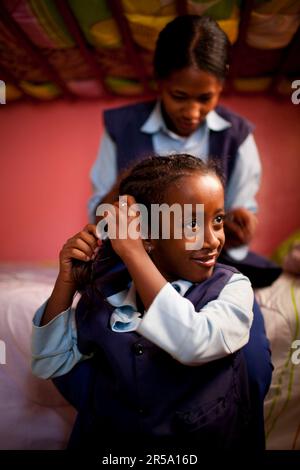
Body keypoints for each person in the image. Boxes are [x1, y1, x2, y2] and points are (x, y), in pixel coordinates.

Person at [32, 154, 255, 451]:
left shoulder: (233, 290)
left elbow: (194, 341)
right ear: (148, 233)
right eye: (191, 224)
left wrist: (133, 253)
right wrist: (66, 282)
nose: (213, 239)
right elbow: (50, 362)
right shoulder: (107, 296)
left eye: (217, 220)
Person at [88, 14, 281, 288]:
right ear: (160, 82)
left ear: (220, 87)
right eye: (179, 96)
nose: (192, 113)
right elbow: (100, 221)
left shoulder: (236, 136)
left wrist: (240, 225)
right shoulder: (122, 128)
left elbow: (236, 219)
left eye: (205, 98)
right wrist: (129, 181)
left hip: (207, 265)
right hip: (133, 263)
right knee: (104, 307)